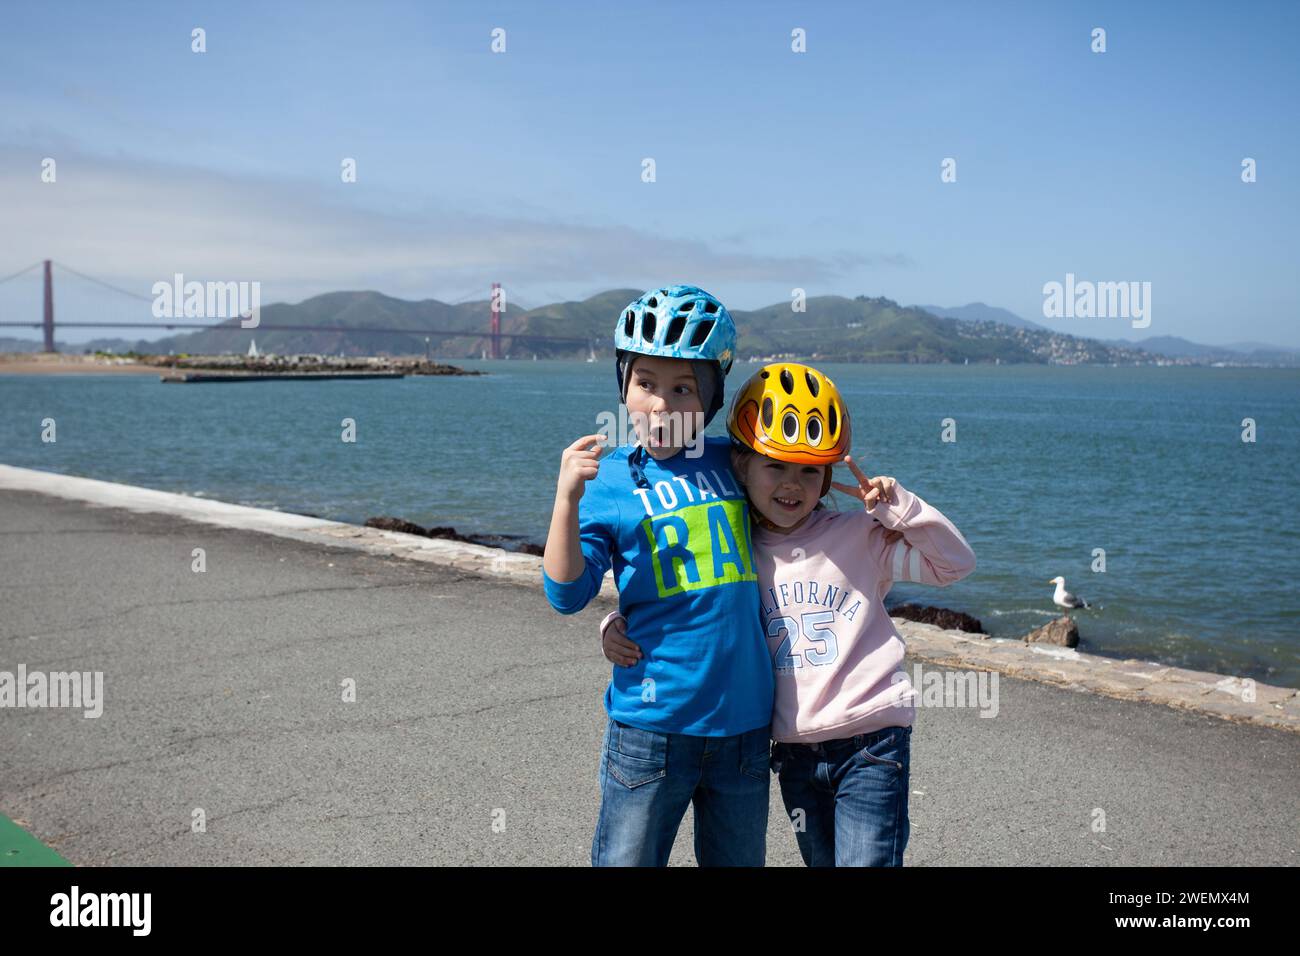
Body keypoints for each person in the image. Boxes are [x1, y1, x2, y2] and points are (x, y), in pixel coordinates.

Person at [602, 362, 976, 866]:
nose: (791, 485)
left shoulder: (859, 537)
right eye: (775, 466)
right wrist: (614, 624)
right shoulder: (739, 542)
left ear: (827, 477)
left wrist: (898, 508)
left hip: (872, 741)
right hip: (793, 752)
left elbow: (952, 565)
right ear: (741, 467)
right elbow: (693, 603)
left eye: (809, 471)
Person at [542, 284, 774, 867]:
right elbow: (567, 593)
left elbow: (802, 521)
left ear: (714, 397)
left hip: (745, 728)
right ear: (623, 384)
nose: (662, 405)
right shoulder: (608, 480)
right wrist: (567, 499)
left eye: (683, 388)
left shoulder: (737, 463)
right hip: (650, 729)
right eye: (646, 384)